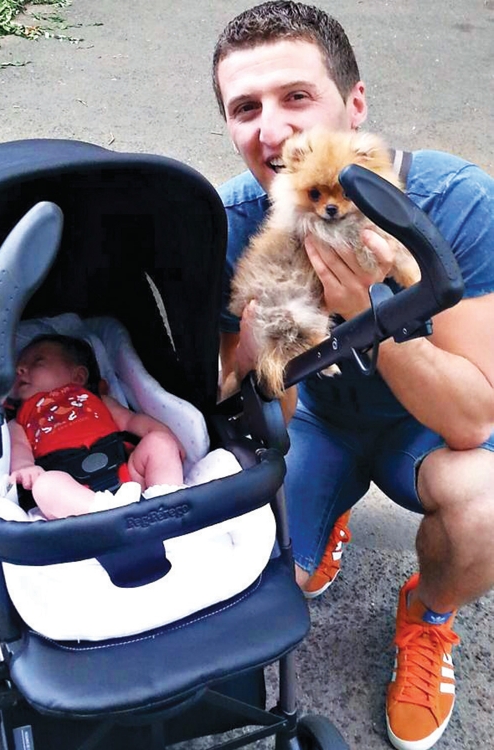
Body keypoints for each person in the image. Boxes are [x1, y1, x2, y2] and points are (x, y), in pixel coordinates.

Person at [212, 3, 494, 749]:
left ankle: (428, 615)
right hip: (319, 421)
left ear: (354, 103)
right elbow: (243, 406)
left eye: (296, 96)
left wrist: (375, 313)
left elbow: (473, 418)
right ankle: (325, 513)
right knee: (273, 577)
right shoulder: (233, 221)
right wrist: (257, 352)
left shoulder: (457, 204)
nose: (273, 129)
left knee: (488, 505)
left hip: (425, 430)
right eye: (246, 108)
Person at [8, 334, 186, 519]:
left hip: (126, 474)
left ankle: (165, 501)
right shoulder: (20, 419)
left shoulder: (96, 400)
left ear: (78, 376)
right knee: (44, 485)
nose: (20, 369)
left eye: (37, 362)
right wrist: (25, 467)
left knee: (159, 442)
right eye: (18, 366)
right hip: (72, 490)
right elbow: (18, 447)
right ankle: (104, 515)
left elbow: (131, 421)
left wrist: (163, 434)